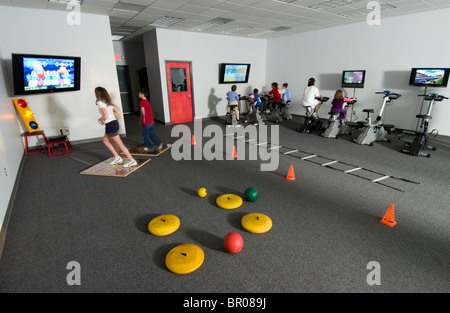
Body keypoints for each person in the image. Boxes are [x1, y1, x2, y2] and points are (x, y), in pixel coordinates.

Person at [95, 86, 137, 168]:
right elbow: (117, 112)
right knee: (105, 141)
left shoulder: (100, 102)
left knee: (120, 144)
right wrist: (110, 116)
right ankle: (117, 157)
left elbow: (105, 116)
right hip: (113, 123)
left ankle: (132, 160)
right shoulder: (109, 102)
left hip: (111, 124)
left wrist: (100, 119)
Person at [139, 88, 164, 154]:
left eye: (139, 93)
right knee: (152, 134)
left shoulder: (142, 102)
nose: (138, 94)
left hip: (146, 122)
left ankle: (149, 147)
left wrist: (144, 122)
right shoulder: (147, 102)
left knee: (145, 135)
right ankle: (159, 143)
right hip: (151, 121)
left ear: (142, 94)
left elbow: (144, 113)